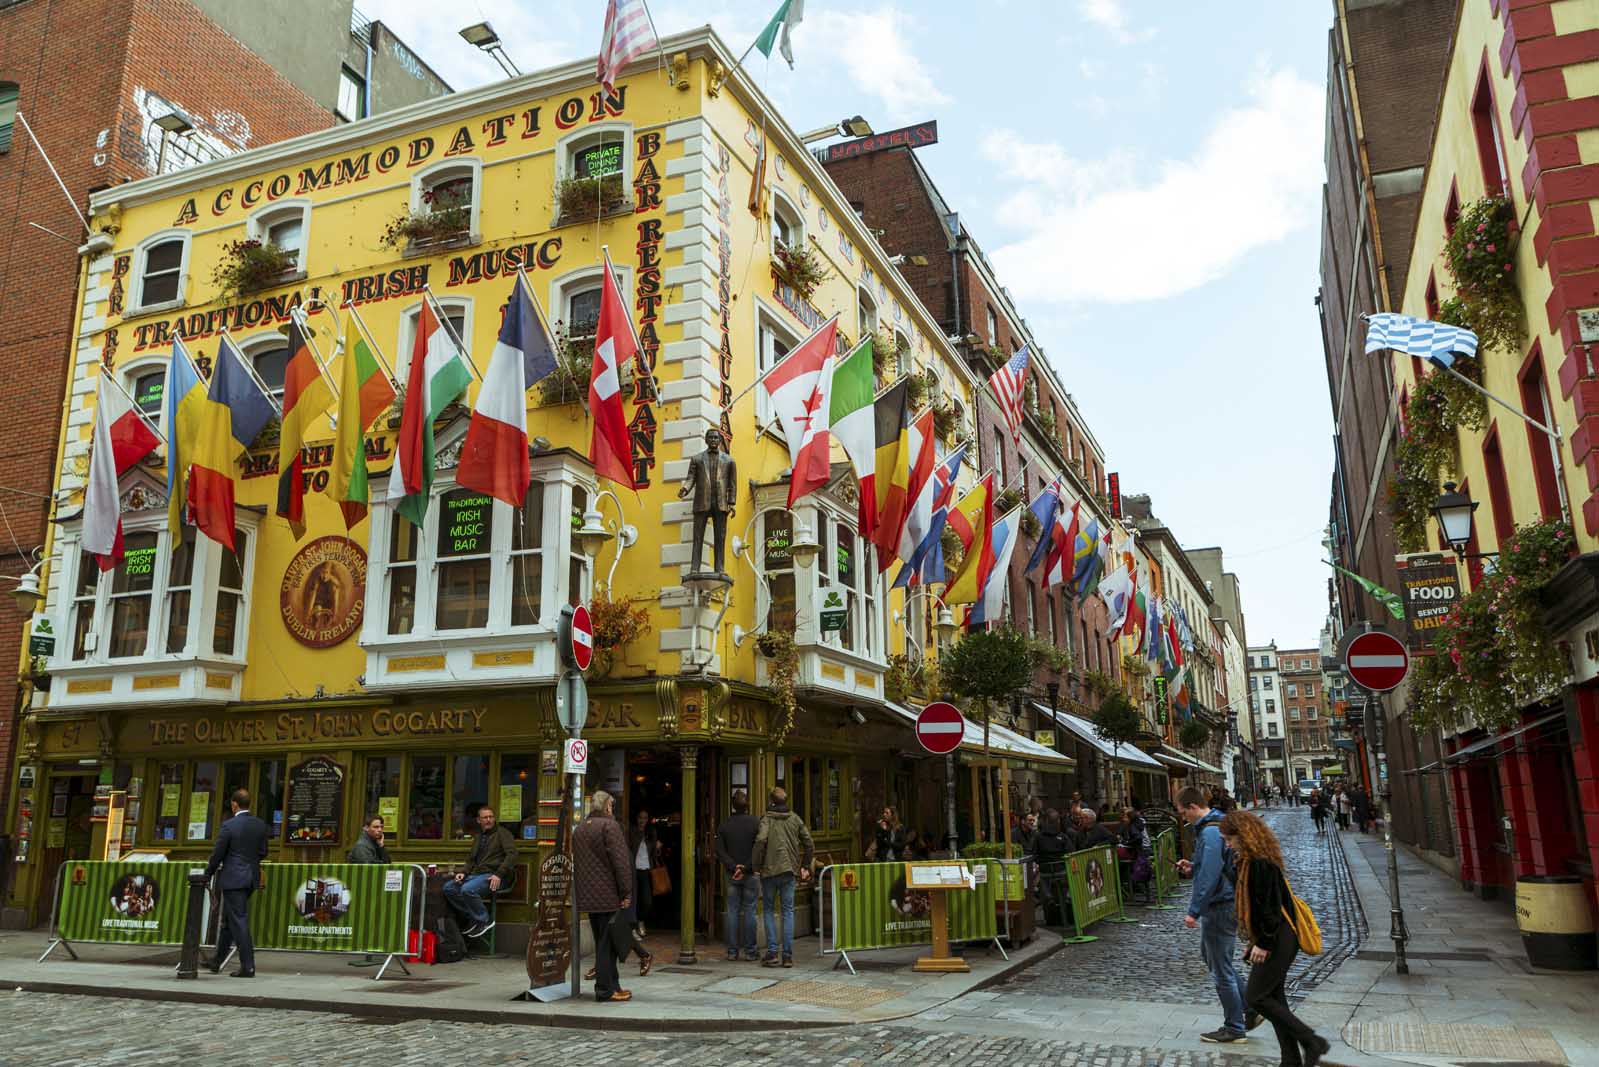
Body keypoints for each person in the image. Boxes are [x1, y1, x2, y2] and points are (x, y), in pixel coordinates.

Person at [1220, 811, 1332, 1067]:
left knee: (1255, 997)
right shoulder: (1248, 862)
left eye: (1229, 839)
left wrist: (1263, 943)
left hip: (1280, 936)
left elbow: (1269, 908)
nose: (1227, 844)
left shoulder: (1260, 864)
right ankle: (1290, 1059)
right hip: (1273, 935)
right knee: (1275, 998)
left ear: (1244, 836)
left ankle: (1312, 1041)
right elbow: (1249, 897)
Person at [1175, 785, 1255, 1044]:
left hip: (1220, 905)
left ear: (1193, 807)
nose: (1183, 818)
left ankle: (1235, 1026)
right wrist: (1193, 865)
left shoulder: (1210, 832)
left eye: (1183, 813)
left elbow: (1210, 875)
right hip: (1224, 901)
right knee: (1213, 958)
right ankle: (1251, 1008)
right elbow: (1211, 866)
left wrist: (1194, 910)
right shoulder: (1215, 827)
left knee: (1221, 968)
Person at [573, 790, 634, 1002]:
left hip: (588, 896)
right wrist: (626, 891)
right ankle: (605, 990)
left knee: (604, 942)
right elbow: (621, 862)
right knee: (608, 947)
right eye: (612, 806)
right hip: (608, 895)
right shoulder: (610, 826)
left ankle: (613, 986)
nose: (612, 810)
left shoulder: (580, 828)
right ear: (607, 806)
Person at [205, 788, 267, 978]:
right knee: (229, 920)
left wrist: (208, 873)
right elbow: (263, 852)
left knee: (238, 920)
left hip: (234, 878)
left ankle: (248, 966)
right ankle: (217, 961)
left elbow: (218, 853)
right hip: (251, 878)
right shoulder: (260, 825)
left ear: (234, 804)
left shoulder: (229, 826)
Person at [752, 786, 814, 967]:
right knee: (788, 912)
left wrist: (756, 866)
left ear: (771, 802)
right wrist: (805, 865)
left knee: (769, 910)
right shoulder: (795, 819)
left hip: (769, 871)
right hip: (789, 871)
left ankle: (772, 953)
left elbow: (760, 840)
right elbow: (809, 842)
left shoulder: (766, 819)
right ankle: (787, 955)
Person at [443, 805, 518, 939]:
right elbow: (471, 859)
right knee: (449, 888)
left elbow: (512, 855)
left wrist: (499, 874)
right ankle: (474, 917)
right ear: (479, 820)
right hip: (477, 875)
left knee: (467, 889)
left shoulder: (503, 833)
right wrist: (464, 873)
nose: (489, 820)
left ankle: (484, 920)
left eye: (491, 817)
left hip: (496, 876)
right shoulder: (479, 836)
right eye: (485, 817)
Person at [715, 789, 761, 962]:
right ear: (747, 805)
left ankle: (732, 951)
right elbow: (759, 848)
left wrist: (734, 867)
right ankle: (750, 951)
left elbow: (719, 850)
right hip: (750, 873)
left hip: (731, 874)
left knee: (732, 911)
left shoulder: (724, 825)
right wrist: (746, 867)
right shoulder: (755, 823)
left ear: (732, 806)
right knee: (750, 911)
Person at [1034, 809, 1072, 926]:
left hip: (1045, 871)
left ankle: (1048, 897)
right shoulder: (1063, 837)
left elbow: (1033, 853)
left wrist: (1040, 861)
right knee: (1066, 876)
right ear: (1057, 822)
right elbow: (1071, 852)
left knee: (1042, 878)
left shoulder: (1038, 837)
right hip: (1061, 870)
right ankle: (1067, 897)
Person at [627, 808, 660, 938]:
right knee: (633, 899)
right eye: (640, 817)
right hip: (633, 870)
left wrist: (657, 848)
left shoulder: (651, 832)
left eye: (645, 818)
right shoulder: (632, 831)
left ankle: (640, 920)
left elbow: (653, 854)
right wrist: (641, 832)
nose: (642, 820)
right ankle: (634, 927)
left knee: (647, 901)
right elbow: (630, 846)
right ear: (636, 819)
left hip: (646, 870)